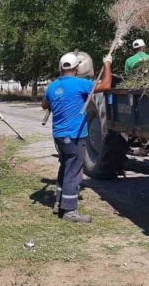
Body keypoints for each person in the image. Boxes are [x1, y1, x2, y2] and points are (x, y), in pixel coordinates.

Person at [42, 53, 113, 223]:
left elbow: (45, 105)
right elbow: (107, 85)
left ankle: (59, 202)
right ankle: (69, 210)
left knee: (65, 167)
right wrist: (107, 64)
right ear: (77, 68)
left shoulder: (52, 87)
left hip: (58, 136)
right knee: (73, 172)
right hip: (74, 136)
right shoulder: (81, 84)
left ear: (60, 68)